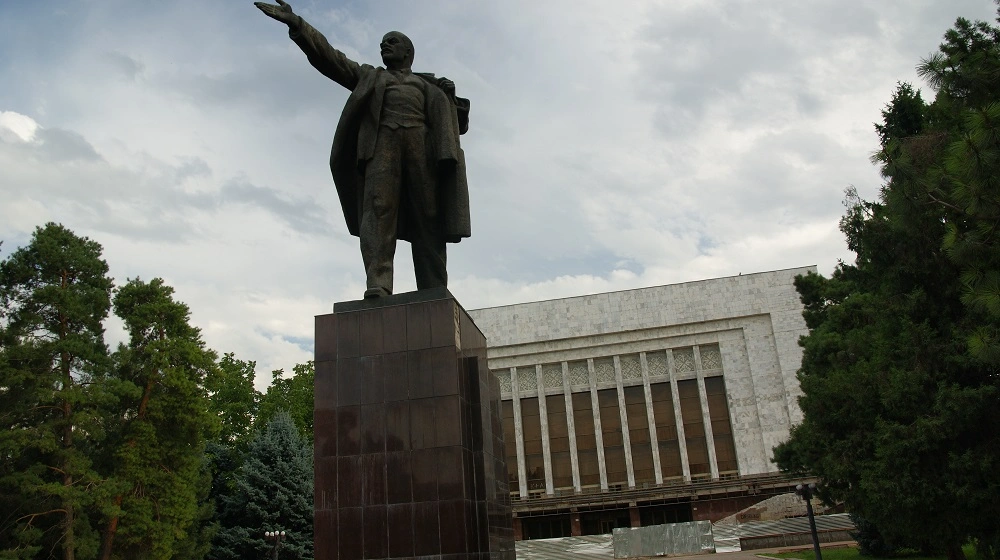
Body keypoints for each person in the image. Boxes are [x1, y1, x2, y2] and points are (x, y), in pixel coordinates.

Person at [255, 0, 472, 298]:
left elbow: (457, 125)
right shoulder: (372, 76)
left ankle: (434, 287)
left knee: (429, 215)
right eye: (382, 43)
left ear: (408, 51)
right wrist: (299, 26)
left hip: (421, 148)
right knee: (378, 211)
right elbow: (331, 59)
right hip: (382, 146)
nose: (384, 46)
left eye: (391, 42)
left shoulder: (430, 87)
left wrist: (450, 97)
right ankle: (379, 284)